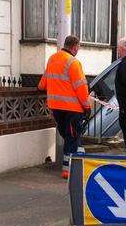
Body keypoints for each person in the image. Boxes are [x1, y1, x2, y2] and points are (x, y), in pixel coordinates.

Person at [38, 35, 91, 179]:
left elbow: (42, 84)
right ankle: (68, 170)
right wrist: (87, 106)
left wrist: (45, 87)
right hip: (73, 109)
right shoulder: (73, 62)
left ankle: (80, 159)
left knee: (70, 136)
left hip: (56, 107)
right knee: (71, 137)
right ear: (74, 47)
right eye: (78, 47)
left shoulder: (52, 59)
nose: (78, 50)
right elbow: (81, 87)